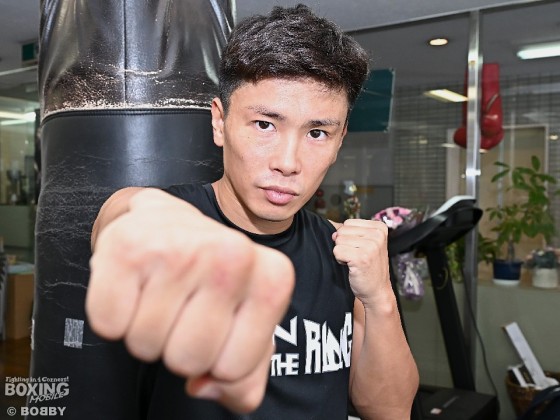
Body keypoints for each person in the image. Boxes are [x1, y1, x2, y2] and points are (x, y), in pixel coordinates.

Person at [87, 4, 419, 419]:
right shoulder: (178, 220)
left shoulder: (341, 254)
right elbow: (121, 217)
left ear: (339, 141)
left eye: (317, 133)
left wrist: (380, 297)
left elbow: (389, 410)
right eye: (265, 125)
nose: (288, 162)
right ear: (219, 122)